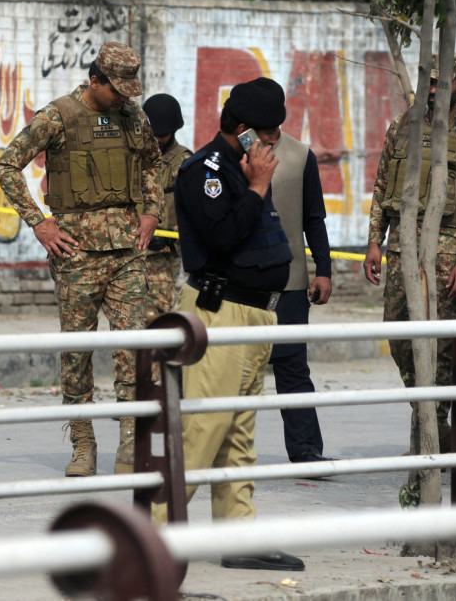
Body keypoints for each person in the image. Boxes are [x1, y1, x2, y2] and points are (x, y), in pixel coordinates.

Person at [151, 77, 304, 572]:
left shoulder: (240, 166)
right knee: (203, 429)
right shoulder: (205, 171)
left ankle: (239, 535)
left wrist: (254, 182)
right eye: (267, 133)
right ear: (241, 130)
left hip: (256, 312)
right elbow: (222, 239)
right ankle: (152, 539)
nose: (273, 143)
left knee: (238, 434)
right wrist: (257, 186)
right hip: (221, 310)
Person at [0, 41, 163, 477]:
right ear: (95, 80)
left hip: (127, 250)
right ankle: (83, 444)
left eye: (130, 89)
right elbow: (7, 164)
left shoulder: (133, 116)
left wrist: (151, 211)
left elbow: (152, 164)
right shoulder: (59, 115)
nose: (125, 97)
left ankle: (131, 443)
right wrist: (38, 222)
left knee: (134, 349)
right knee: (78, 352)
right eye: (117, 89)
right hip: (76, 254)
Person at [363, 54, 456, 454]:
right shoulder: (402, 127)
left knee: (438, 346)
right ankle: (428, 419)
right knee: (399, 336)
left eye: (446, 84)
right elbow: (381, 184)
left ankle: (433, 430)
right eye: (431, 83)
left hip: (448, 251)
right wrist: (375, 239)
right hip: (402, 250)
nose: (437, 91)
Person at [253, 78, 334, 465]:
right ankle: (223, 452)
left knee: (292, 370)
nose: (268, 134)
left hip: (290, 283)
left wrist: (324, 270)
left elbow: (314, 218)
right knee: (235, 370)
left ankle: (305, 449)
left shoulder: (302, 156)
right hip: (244, 285)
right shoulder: (233, 152)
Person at [140, 93, 192, 324]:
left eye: (162, 135)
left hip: (163, 256)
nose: (158, 139)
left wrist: (171, 236)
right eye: (154, 134)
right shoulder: (135, 157)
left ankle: (156, 361)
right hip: (131, 252)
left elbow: (194, 212)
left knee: (156, 317)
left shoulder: (183, 163)